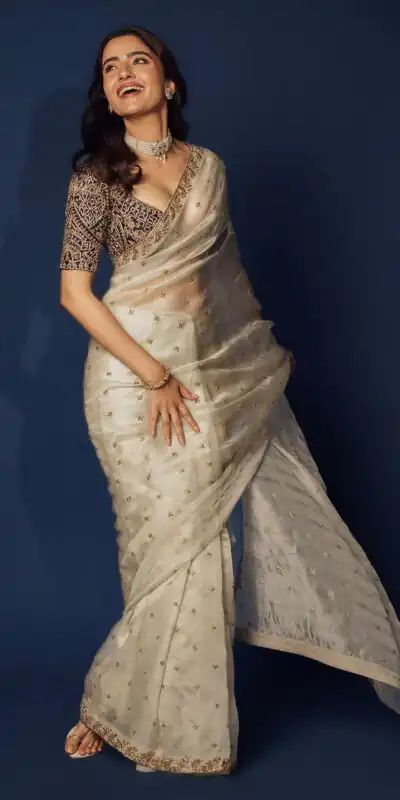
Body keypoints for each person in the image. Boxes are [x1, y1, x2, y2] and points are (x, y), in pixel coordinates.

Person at [60, 25, 400, 775]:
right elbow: (75, 295)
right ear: (106, 94)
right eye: (110, 67)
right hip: (129, 377)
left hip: (206, 370)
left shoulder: (208, 168)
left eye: (139, 60)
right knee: (155, 540)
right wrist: (153, 375)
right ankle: (117, 708)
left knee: (202, 540)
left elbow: (226, 281)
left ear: (168, 83)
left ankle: (163, 719)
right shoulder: (95, 178)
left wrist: (253, 354)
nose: (124, 73)